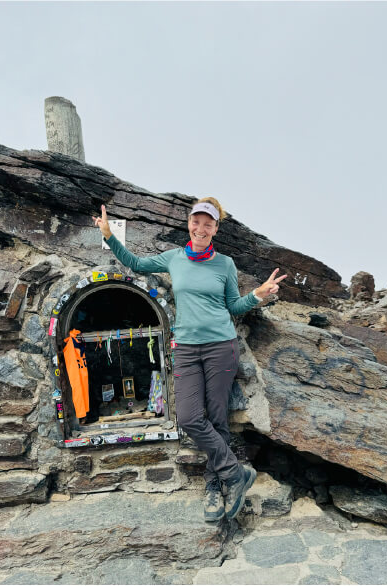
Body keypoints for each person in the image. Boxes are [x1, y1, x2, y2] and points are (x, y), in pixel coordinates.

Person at [92, 198, 287, 522]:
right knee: (189, 417)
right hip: (185, 349)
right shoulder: (174, 258)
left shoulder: (225, 264)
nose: (201, 228)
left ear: (215, 229)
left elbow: (233, 306)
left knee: (217, 419)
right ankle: (235, 474)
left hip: (220, 347)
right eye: (197, 221)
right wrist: (109, 236)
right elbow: (136, 264)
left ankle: (215, 486)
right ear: (189, 223)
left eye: (208, 223)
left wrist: (257, 295)